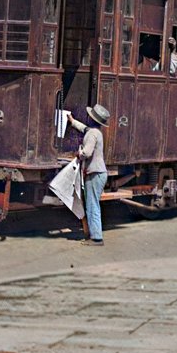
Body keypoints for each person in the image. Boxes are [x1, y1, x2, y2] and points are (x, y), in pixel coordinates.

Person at [66, 103, 110, 247]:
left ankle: (97, 238)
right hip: (98, 173)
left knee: (92, 205)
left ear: (92, 119)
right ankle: (95, 235)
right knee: (93, 204)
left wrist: (79, 154)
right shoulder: (95, 131)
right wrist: (72, 121)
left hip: (95, 173)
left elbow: (87, 152)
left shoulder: (92, 134)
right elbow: (83, 128)